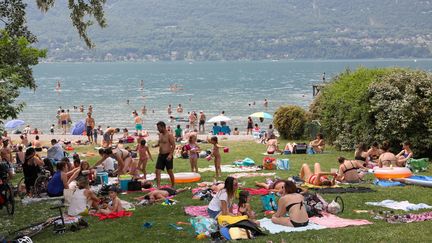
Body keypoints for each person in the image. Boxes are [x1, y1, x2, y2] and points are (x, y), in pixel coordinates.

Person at [153, 121, 175, 188]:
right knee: (157, 170)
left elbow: (173, 145)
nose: (158, 129)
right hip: (161, 155)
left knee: (169, 171)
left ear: (163, 127)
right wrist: (155, 145)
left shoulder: (169, 135)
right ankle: (158, 186)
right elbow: (160, 143)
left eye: (159, 128)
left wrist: (170, 155)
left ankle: (173, 185)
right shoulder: (160, 134)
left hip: (168, 155)